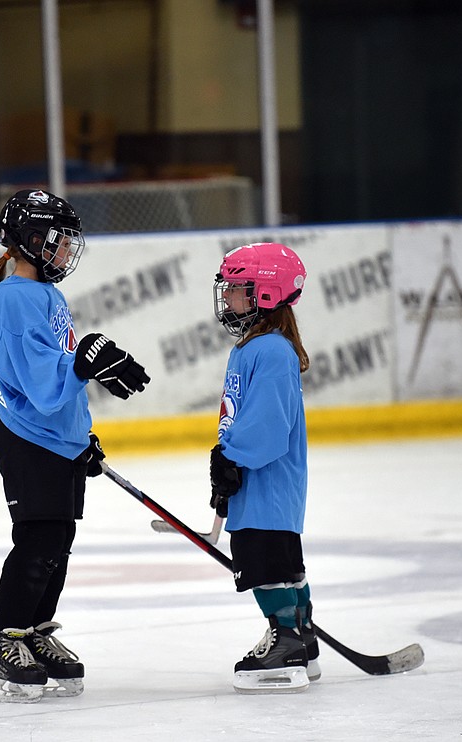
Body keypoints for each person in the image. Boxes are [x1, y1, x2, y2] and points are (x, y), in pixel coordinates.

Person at [0, 189, 151, 703]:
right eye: (56, 240)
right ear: (27, 240)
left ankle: (35, 629)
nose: (66, 251)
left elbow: (61, 378)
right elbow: (37, 379)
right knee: (38, 542)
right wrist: (83, 360)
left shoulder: (45, 294)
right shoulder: (13, 297)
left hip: (56, 440)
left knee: (57, 545)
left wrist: (81, 438)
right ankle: (6, 638)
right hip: (29, 440)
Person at [207, 241, 320, 694]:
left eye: (237, 288)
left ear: (266, 295)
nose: (228, 297)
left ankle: (286, 640)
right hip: (263, 487)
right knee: (283, 564)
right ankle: (301, 639)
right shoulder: (257, 347)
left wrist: (232, 456)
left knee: (265, 563)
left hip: (267, 484)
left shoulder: (271, 351)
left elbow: (269, 426)